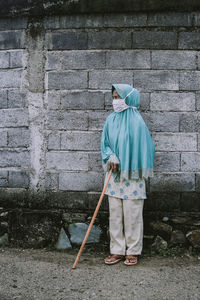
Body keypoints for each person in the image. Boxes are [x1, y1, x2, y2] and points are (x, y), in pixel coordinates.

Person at [101, 84, 155, 266]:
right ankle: (116, 250)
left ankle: (132, 251)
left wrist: (131, 162)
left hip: (132, 176)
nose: (116, 101)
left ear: (129, 99)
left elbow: (146, 148)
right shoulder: (110, 120)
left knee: (132, 214)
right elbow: (105, 143)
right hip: (114, 174)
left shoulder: (137, 122)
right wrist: (111, 156)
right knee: (115, 214)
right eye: (114, 97)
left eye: (119, 97)